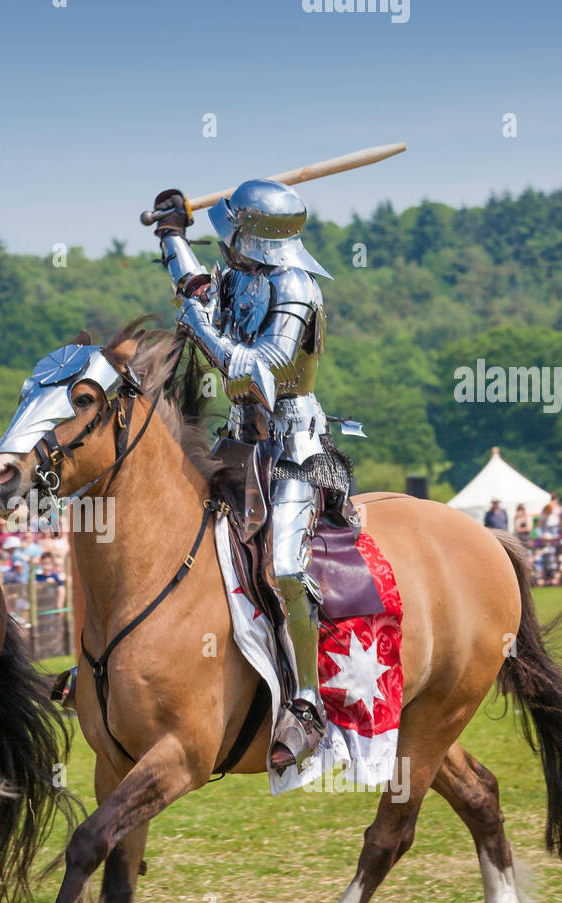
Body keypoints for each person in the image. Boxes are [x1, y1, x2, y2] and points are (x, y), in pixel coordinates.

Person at [150, 178, 353, 771]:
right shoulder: (244, 275)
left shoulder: (296, 289)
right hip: (239, 437)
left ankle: (307, 704)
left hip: (291, 442)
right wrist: (170, 235)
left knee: (285, 566)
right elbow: (198, 291)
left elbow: (254, 373)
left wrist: (195, 317)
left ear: (254, 234)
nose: (225, 238)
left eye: (233, 228)